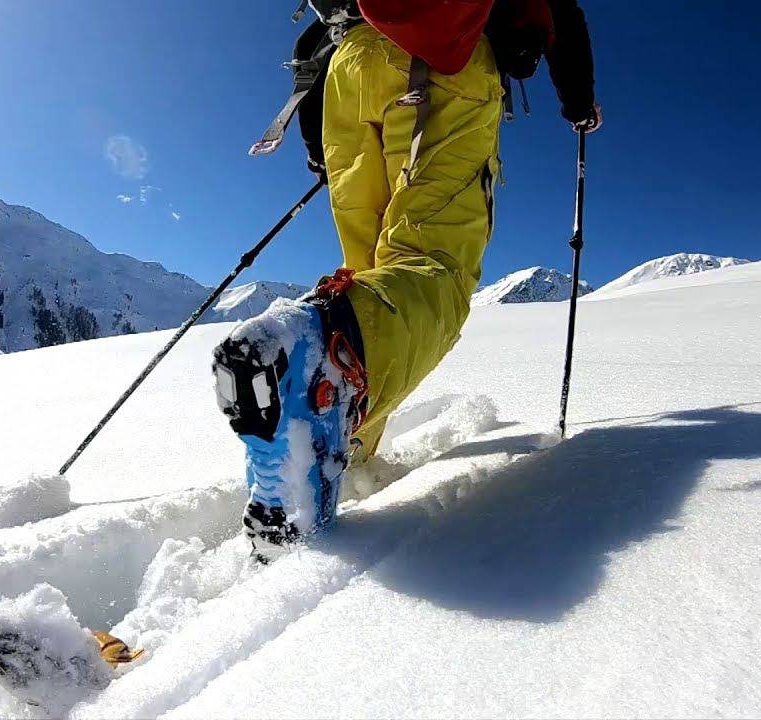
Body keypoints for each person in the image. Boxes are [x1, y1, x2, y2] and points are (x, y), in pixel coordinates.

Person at [213, 0, 601, 559]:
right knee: (431, 265)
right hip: (448, 59)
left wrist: (320, 146)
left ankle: (339, 458)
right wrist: (579, 101)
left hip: (347, 73)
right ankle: (315, 376)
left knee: (368, 280)